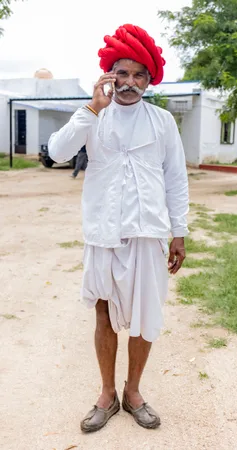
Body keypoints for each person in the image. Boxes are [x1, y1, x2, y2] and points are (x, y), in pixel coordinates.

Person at [48, 24, 189, 432]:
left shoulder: (162, 121)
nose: (129, 82)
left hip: (148, 234)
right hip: (103, 234)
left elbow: (176, 178)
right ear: (108, 76)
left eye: (138, 75)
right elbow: (57, 153)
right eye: (121, 73)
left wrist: (178, 232)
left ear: (148, 80)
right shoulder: (92, 115)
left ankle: (134, 392)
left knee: (146, 315)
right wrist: (91, 108)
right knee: (104, 316)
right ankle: (107, 395)